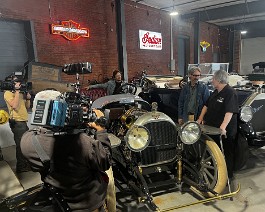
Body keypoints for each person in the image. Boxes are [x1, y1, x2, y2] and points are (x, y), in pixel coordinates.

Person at [20, 90, 113, 211]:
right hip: (88, 204)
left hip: (59, 200)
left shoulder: (27, 141)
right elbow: (105, 161)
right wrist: (101, 131)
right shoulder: (83, 142)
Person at [197, 70, 239, 179]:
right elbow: (206, 106)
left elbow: (229, 112)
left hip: (224, 131)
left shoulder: (230, 92)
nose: (211, 81)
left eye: (213, 79)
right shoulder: (215, 91)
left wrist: (223, 127)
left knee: (226, 154)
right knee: (214, 153)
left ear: (219, 80)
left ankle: (227, 176)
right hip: (211, 128)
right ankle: (215, 173)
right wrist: (200, 119)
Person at [4, 75, 31, 173]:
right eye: (16, 82)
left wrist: (28, 98)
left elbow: (27, 106)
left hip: (23, 121)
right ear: (12, 83)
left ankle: (25, 163)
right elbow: (14, 106)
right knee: (20, 145)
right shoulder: (7, 93)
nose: (18, 83)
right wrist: (17, 91)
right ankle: (21, 166)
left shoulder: (19, 93)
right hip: (17, 122)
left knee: (26, 144)